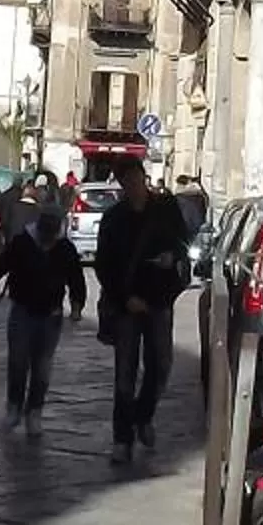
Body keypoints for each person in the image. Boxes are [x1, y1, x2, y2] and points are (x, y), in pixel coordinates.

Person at [93, 156, 191, 466]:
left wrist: (171, 256)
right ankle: (122, 439)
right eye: (127, 182)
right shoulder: (114, 219)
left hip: (160, 300)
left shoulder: (165, 209)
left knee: (161, 365)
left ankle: (143, 415)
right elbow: (103, 265)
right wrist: (125, 298)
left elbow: (183, 244)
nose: (133, 186)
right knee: (125, 373)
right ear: (121, 185)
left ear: (143, 178)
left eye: (136, 179)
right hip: (127, 305)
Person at [0, 195, 84, 437]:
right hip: (23, 310)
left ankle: (34, 411)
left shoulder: (65, 248)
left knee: (42, 367)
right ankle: (14, 407)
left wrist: (77, 305)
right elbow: (1, 265)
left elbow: (76, 278)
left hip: (51, 314)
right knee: (18, 362)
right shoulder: (22, 243)